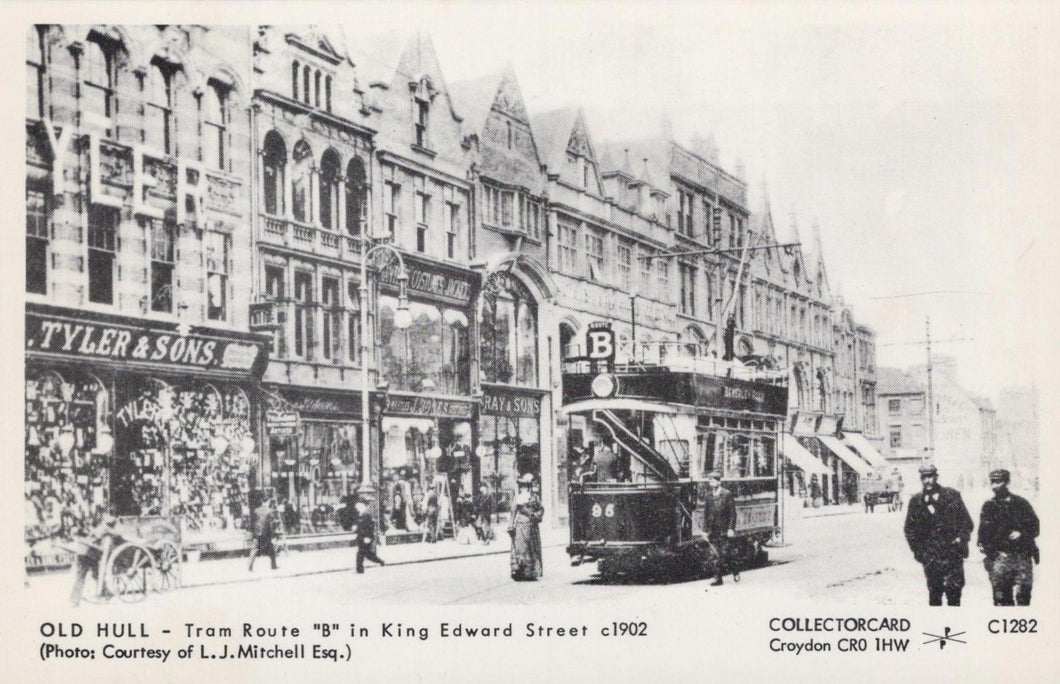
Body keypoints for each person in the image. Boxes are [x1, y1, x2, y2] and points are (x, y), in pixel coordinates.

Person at [903, 464, 974, 606]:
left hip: (952, 553)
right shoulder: (916, 501)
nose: (927, 481)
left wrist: (961, 539)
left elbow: (967, 523)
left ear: (936, 477)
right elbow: (909, 529)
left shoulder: (952, 496)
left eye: (930, 476)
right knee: (934, 594)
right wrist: (919, 551)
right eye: (924, 477)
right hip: (931, 556)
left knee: (954, 593)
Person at [978, 469, 1039, 606]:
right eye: (992, 482)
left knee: (1023, 597)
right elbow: (982, 533)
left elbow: (1036, 526)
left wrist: (1022, 533)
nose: (995, 486)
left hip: (1021, 558)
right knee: (1001, 600)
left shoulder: (1021, 503)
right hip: (999, 559)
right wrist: (985, 549)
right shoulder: (988, 506)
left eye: (998, 482)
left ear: (1007, 482)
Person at [70, 514, 123, 607]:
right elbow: (118, 534)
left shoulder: (99, 527)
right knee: (83, 576)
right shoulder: (106, 528)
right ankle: (75, 600)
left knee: (94, 574)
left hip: (85, 552)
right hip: (88, 553)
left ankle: (106, 592)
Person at [702, 470, 737, 586]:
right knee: (714, 555)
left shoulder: (727, 494)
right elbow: (706, 515)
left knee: (725, 554)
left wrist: (731, 528)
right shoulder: (708, 496)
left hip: (724, 530)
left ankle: (735, 570)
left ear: (719, 481)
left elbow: (732, 513)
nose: (711, 482)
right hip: (713, 530)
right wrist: (704, 530)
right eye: (709, 480)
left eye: (713, 480)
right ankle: (717, 578)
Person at [507, 473, 543, 581]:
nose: (524, 488)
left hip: (532, 527)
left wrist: (537, 515)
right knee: (520, 549)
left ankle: (531, 573)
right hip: (521, 526)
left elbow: (541, 509)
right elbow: (513, 512)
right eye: (522, 486)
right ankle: (520, 571)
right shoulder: (518, 498)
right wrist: (511, 525)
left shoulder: (535, 498)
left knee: (532, 549)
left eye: (526, 486)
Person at [353, 500, 385, 574]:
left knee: (360, 554)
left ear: (362, 507)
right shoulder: (360, 515)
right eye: (357, 508)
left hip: (366, 538)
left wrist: (368, 537)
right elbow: (359, 527)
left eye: (358, 508)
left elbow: (370, 527)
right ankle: (380, 561)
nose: (357, 509)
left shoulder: (367, 515)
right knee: (368, 554)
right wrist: (355, 528)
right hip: (361, 538)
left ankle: (360, 569)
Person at [248, 498, 279, 571]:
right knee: (271, 550)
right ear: (268, 502)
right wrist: (273, 534)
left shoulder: (256, 510)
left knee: (255, 549)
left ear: (262, 502)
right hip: (265, 534)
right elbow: (270, 524)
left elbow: (253, 522)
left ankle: (250, 565)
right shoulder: (269, 511)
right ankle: (273, 566)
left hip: (257, 533)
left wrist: (253, 532)